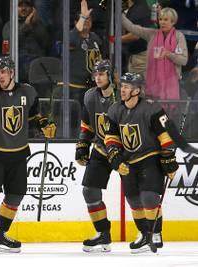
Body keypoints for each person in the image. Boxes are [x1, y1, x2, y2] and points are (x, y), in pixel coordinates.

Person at [0, 56, 56, 253]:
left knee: (15, 195)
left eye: (4, 72)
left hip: (18, 153)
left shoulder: (29, 92)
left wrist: (44, 125)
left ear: (12, 72)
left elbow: (33, 117)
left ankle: (0, 235)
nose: (0, 76)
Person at [104, 72, 179, 253]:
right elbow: (111, 137)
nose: (122, 90)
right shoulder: (115, 110)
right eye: (122, 86)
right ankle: (144, 233)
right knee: (133, 200)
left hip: (150, 157)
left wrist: (168, 157)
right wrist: (114, 155)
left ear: (137, 90)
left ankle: (154, 233)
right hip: (129, 160)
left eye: (127, 87)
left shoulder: (152, 109)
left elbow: (165, 135)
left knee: (149, 197)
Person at [75, 59, 118, 252]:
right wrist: (83, 145)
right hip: (101, 149)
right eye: (96, 74)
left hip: (128, 152)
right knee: (89, 191)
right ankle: (103, 234)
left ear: (110, 75)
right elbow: (87, 124)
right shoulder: (90, 96)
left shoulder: (123, 95)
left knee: (139, 195)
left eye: (102, 74)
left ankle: (148, 233)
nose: (98, 78)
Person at [122, 7, 188, 102]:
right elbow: (132, 28)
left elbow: (183, 60)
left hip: (170, 87)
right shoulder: (152, 34)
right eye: (160, 19)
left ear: (173, 22)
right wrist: (119, 13)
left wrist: (168, 54)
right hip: (152, 86)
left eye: (165, 20)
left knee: (169, 115)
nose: (162, 22)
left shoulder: (179, 37)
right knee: (151, 113)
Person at [69, 0, 102, 109]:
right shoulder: (71, 36)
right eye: (83, 19)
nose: (86, 21)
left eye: (88, 19)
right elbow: (71, 42)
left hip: (92, 87)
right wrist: (82, 17)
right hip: (74, 88)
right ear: (76, 22)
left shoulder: (95, 38)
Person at [121, 0, 152, 77]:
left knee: (138, 86)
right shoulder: (138, 7)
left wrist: (115, 39)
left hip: (140, 58)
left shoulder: (139, 9)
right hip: (139, 56)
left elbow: (135, 35)